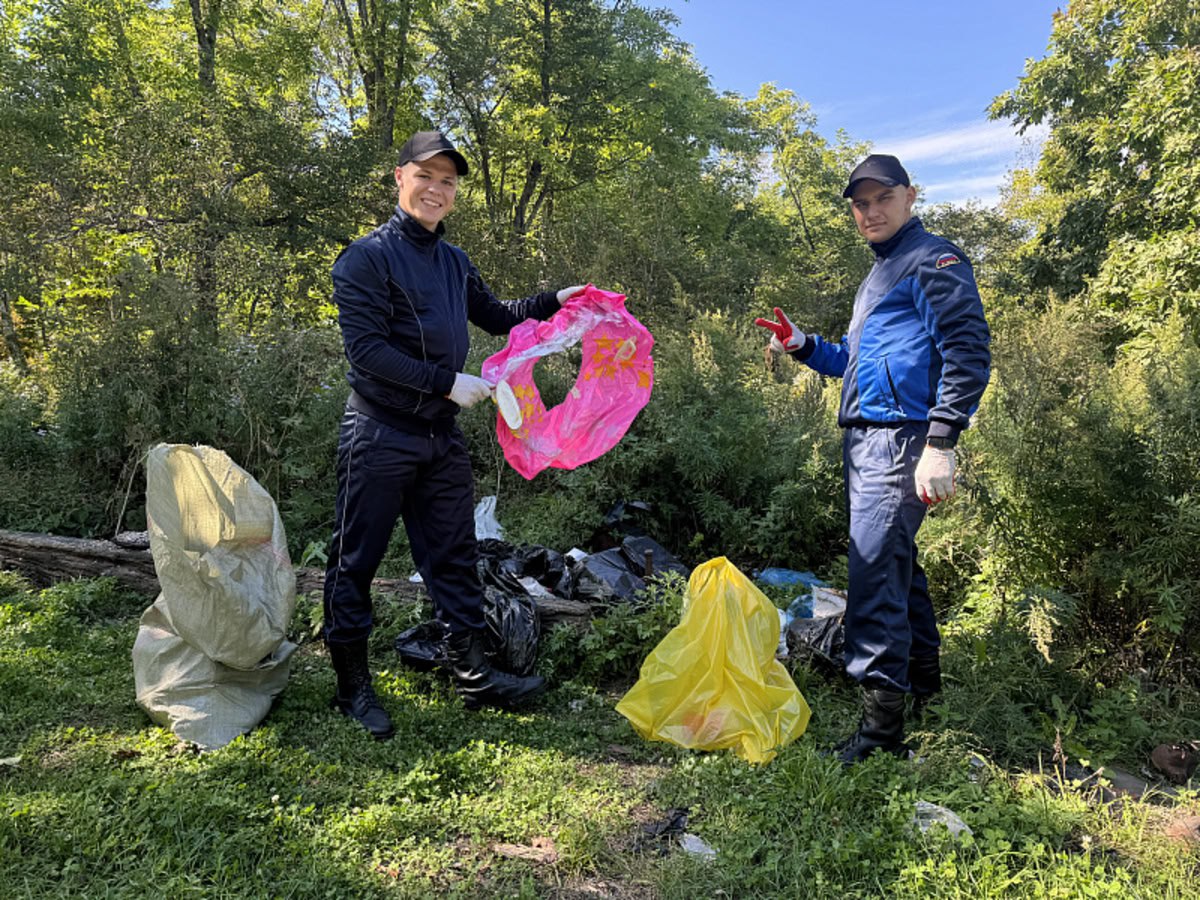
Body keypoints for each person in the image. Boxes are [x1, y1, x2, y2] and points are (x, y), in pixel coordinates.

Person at [323, 130, 586, 739]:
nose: (437, 190)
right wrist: (446, 381)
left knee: (453, 555)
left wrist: (556, 299)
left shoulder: (453, 260)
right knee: (354, 560)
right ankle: (351, 686)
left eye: (448, 181)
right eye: (426, 176)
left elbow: (495, 315)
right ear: (399, 178)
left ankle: (473, 674)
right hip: (380, 430)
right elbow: (366, 353)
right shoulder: (365, 258)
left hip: (439, 437)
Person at [755, 154, 990, 764]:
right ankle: (924, 691)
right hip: (867, 440)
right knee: (897, 568)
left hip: (901, 439)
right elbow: (854, 364)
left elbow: (967, 351)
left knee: (873, 574)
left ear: (911, 196)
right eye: (859, 203)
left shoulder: (932, 259)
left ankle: (881, 735)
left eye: (882, 198)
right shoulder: (880, 276)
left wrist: (940, 443)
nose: (870, 211)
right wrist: (805, 346)